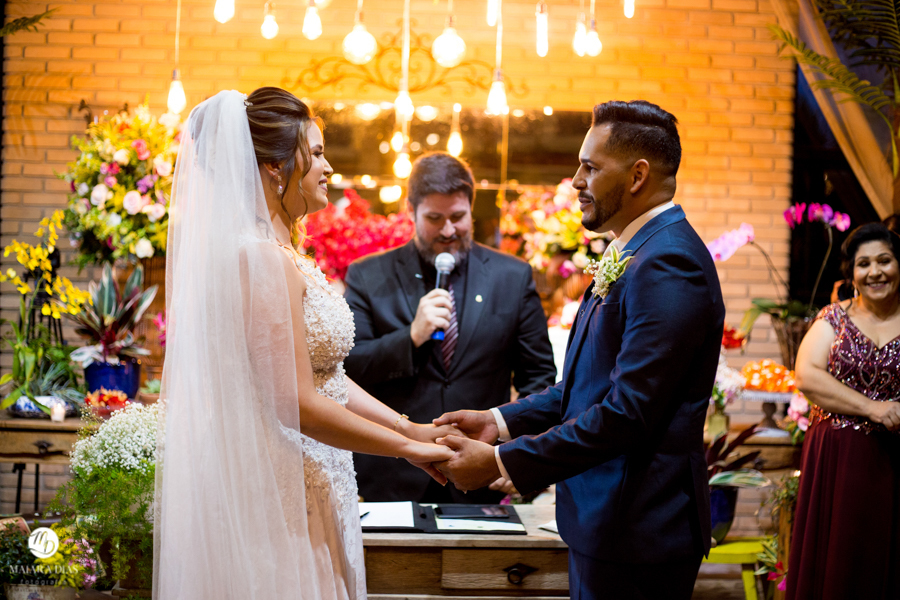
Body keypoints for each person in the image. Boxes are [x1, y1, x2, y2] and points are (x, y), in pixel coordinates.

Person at [153, 88, 455, 600]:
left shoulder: (284, 254)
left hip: (320, 478)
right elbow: (296, 402)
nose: (328, 167)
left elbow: (328, 380)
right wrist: (406, 449)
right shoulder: (260, 258)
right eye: (315, 154)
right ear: (275, 166)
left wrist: (412, 428)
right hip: (283, 492)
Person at [433, 100, 724, 600]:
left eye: (590, 167)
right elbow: (586, 387)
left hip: (639, 528)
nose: (575, 180)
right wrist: (500, 421)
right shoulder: (635, 250)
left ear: (637, 176)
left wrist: (501, 461)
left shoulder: (669, 261)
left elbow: (628, 413)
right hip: (606, 521)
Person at [343, 152, 557, 504]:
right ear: (411, 211)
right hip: (391, 476)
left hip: (481, 475)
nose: (448, 230)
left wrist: (513, 456)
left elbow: (539, 378)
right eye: (434, 218)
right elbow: (349, 372)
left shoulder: (513, 277)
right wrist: (411, 337)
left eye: (458, 217)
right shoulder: (368, 275)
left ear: (472, 208)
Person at [787, 222, 900, 600]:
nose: (875, 272)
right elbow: (806, 375)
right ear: (851, 274)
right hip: (837, 460)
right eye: (863, 264)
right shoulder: (833, 318)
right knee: (837, 563)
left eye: (884, 261)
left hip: (894, 459)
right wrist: (873, 408)